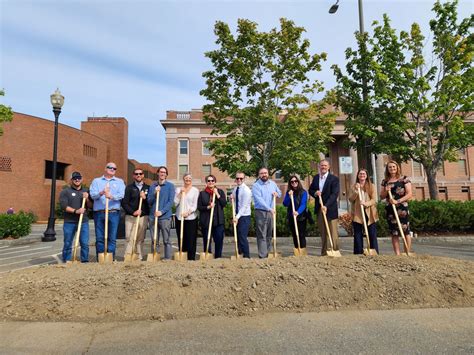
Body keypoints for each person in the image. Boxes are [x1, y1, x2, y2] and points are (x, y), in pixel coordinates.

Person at [90, 162, 125, 260]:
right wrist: (102, 192)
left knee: (112, 238)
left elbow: (122, 195)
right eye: (110, 167)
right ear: (105, 168)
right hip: (99, 213)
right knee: (100, 238)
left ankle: (110, 258)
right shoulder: (96, 181)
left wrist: (111, 196)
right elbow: (92, 195)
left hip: (113, 213)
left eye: (114, 168)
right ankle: (100, 258)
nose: (112, 169)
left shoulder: (119, 181)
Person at [380, 160, 413, 255]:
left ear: (397, 167)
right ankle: (397, 254)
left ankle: (407, 252)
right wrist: (386, 191)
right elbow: (381, 196)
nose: (392, 169)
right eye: (390, 167)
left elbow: (409, 194)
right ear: (387, 169)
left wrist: (397, 201)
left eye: (394, 167)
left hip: (402, 208)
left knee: (405, 230)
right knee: (394, 232)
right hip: (390, 209)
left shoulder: (404, 179)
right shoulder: (385, 181)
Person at [309, 159, 340, 256]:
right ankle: (324, 252)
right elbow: (310, 190)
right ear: (319, 167)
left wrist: (326, 205)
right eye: (322, 165)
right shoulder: (316, 178)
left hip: (330, 209)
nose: (323, 167)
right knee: (323, 233)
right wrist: (315, 193)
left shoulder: (334, 179)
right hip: (319, 209)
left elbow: (334, 194)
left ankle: (334, 250)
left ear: (329, 167)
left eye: (325, 165)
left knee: (333, 232)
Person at [59, 171, 92, 262]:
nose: (77, 180)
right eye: (75, 178)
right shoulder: (65, 191)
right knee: (68, 242)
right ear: (71, 180)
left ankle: (84, 261)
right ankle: (66, 261)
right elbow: (64, 206)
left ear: (82, 179)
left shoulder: (86, 191)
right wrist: (76, 211)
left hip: (83, 221)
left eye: (79, 178)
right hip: (69, 222)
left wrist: (87, 199)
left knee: (84, 243)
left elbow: (90, 206)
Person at [252, 167, 282, 258]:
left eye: (265, 173)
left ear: (268, 174)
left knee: (269, 233)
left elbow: (279, 193)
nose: (264, 174)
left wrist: (277, 194)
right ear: (259, 175)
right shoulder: (256, 185)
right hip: (261, 211)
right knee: (262, 234)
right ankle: (262, 255)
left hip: (271, 212)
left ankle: (268, 252)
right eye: (262, 173)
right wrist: (269, 208)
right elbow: (259, 200)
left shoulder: (273, 183)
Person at [349, 168, 379, 254]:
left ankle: (374, 251)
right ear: (358, 176)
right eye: (360, 174)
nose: (362, 175)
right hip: (358, 213)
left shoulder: (371, 186)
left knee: (372, 233)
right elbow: (350, 199)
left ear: (366, 176)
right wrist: (356, 192)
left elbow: (374, 200)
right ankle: (358, 252)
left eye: (364, 174)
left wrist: (366, 203)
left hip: (369, 213)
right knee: (358, 234)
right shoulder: (353, 186)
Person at [147, 166, 175, 259]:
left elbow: (170, 202)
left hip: (165, 217)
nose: (162, 174)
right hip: (153, 216)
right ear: (158, 173)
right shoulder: (153, 186)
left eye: (164, 172)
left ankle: (167, 258)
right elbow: (149, 201)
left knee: (166, 240)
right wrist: (155, 193)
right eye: (161, 172)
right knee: (154, 239)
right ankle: (155, 257)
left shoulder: (170, 186)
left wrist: (161, 212)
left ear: (166, 175)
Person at [121, 168, 149, 260]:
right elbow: (124, 203)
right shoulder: (129, 188)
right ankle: (128, 255)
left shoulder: (147, 188)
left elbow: (151, 204)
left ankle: (138, 256)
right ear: (133, 176)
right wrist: (133, 212)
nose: (138, 175)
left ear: (143, 175)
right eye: (136, 174)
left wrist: (145, 198)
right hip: (130, 216)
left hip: (143, 217)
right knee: (129, 237)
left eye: (140, 174)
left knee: (140, 238)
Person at [197, 174, 227, 258]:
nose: (210, 182)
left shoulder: (220, 192)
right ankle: (208, 255)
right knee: (207, 240)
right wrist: (208, 207)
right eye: (208, 181)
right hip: (206, 222)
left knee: (219, 240)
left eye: (212, 180)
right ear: (206, 182)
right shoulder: (202, 193)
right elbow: (199, 207)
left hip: (218, 221)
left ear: (215, 182)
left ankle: (218, 257)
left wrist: (217, 194)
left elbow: (224, 204)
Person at [174, 173, 199, 260]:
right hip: (179, 218)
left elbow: (194, 206)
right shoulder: (178, 189)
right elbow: (175, 203)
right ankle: (182, 256)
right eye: (186, 178)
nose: (187, 180)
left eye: (189, 179)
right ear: (183, 180)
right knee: (181, 238)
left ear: (191, 180)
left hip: (191, 218)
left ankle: (191, 258)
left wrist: (187, 213)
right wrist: (180, 193)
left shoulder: (195, 190)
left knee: (191, 239)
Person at [282, 175, 308, 250]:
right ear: (290, 183)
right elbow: (285, 204)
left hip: (301, 216)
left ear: (298, 182)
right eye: (292, 182)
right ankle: (297, 248)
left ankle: (302, 249)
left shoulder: (303, 192)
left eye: (295, 181)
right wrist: (290, 197)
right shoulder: (289, 192)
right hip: (292, 216)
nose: (294, 183)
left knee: (301, 234)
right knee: (295, 235)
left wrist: (298, 212)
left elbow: (303, 204)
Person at [231, 171, 251, 258]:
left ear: (244, 179)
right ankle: (239, 253)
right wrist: (232, 197)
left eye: (241, 178)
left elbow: (244, 206)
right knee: (238, 236)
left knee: (242, 236)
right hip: (237, 215)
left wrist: (237, 217)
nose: (239, 180)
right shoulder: (236, 189)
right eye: (237, 178)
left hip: (244, 216)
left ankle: (246, 256)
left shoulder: (246, 190)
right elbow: (236, 202)